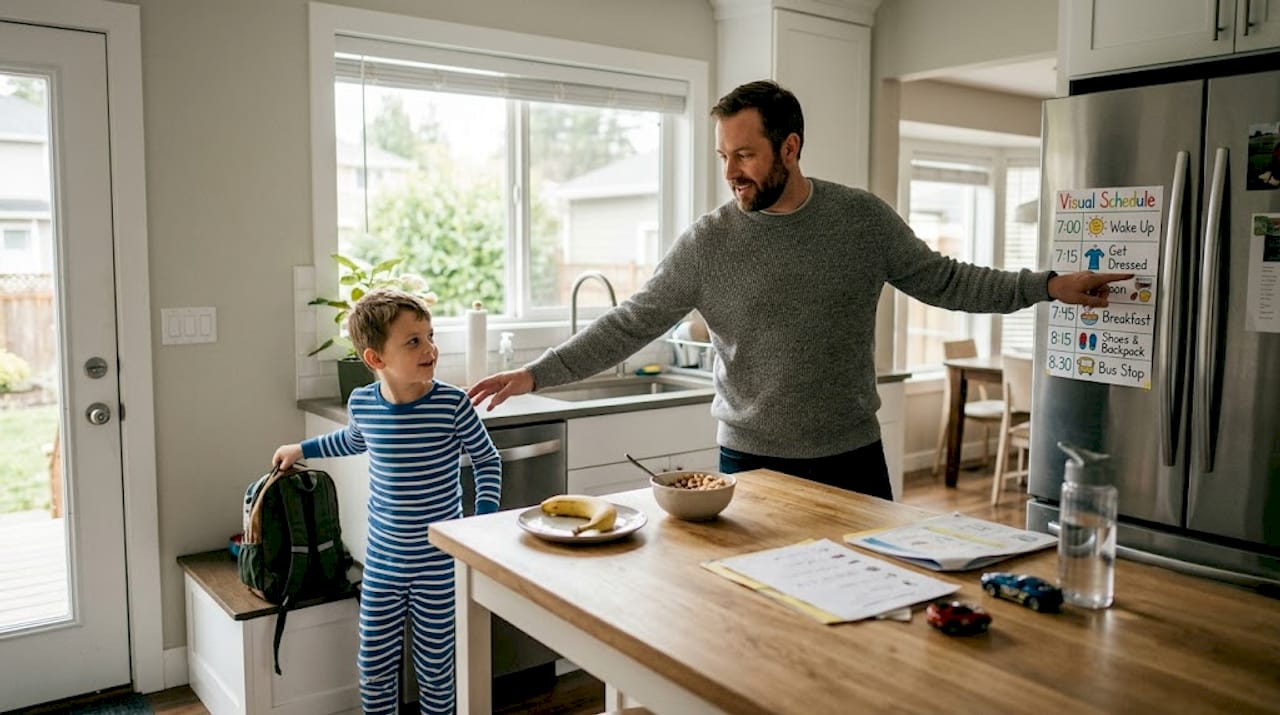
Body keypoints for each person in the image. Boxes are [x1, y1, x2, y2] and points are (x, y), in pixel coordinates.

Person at [468, 79, 1128, 499]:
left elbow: (948, 279)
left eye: (744, 155)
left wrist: (1047, 284)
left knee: (870, 618)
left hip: (854, 458)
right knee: (761, 629)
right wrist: (534, 373)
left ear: (790, 148)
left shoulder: (862, 220)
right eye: (723, 156)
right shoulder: (707, 244)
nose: (731, 172)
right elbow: (627, 324)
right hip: (752, 465)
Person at [272, 288, 501, 715]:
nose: (430, 348)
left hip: (439, 565)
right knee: (373, 667)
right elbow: (355, 439)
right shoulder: (363, 404)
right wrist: (301, 449)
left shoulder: (453, 405)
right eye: (413, 341)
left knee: (436, 670)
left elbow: (487, 460)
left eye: (430, 336)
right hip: (383, 564)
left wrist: (480, 523)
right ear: (376, 359)